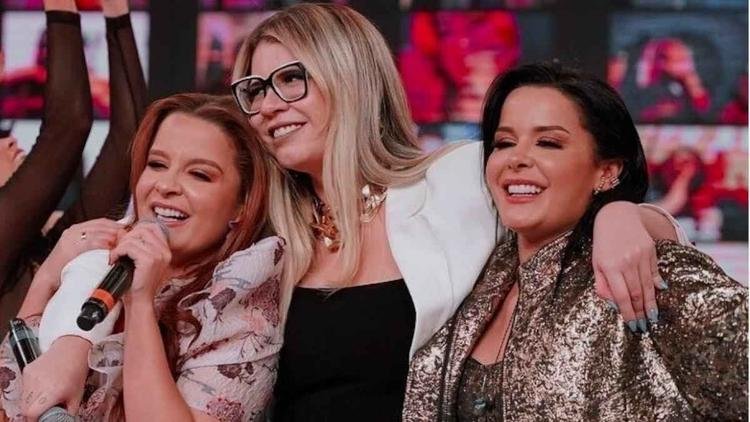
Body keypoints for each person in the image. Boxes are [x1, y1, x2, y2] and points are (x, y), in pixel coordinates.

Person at [229, 4, 689, 419]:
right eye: (254, 89)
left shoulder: (457, 179)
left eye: (290, 79)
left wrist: (619, 215)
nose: (267, 106)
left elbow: (595, 221)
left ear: (349, 76)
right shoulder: (262, 238)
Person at [402, 63, 747, 420]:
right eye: (504, 143)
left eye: (548, 143)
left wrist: (628, 214)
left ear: (607, 171)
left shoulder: (642, 271)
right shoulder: (470, 272)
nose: (516, 159)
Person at [0, 93, 284, 422]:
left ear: (242, 205)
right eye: (157, 164)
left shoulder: (239, 305)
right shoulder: (98, 264)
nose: (166, 185)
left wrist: (140, 303)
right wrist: (48, 276)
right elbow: (13, 394)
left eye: (199, 174)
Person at [0, 0, 148, 336]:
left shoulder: (52, 248)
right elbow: (68, 125)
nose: (10, 142)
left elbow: (131, 139)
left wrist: (115, 10)